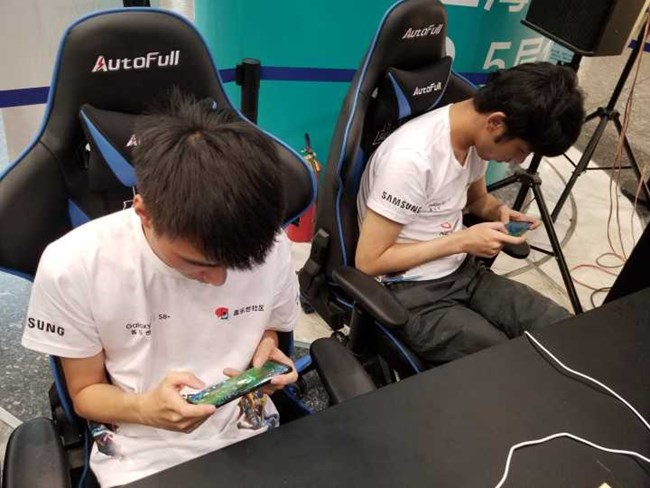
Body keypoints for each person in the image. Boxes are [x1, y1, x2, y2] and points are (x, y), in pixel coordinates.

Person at [22, 92, 300, 487]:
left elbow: (267, 325)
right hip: (142, 450)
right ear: (144, 213)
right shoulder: (74, 264)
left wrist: (265, 351)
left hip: (249, 429)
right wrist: (146, 409)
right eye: (199, 263)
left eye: (236, 264)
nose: (219, 281)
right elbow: (84, 393)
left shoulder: (271, 243)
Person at [356, 62, 585, 366]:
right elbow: (369, 261)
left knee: (563, 330)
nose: (519, 161)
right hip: (408, 292)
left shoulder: (472, 138)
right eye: (521, 150)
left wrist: (498, 211)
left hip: (463, 273)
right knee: (510, 364)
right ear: (496, 123)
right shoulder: (411, 160)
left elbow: (477, 200)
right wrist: (461, 241)